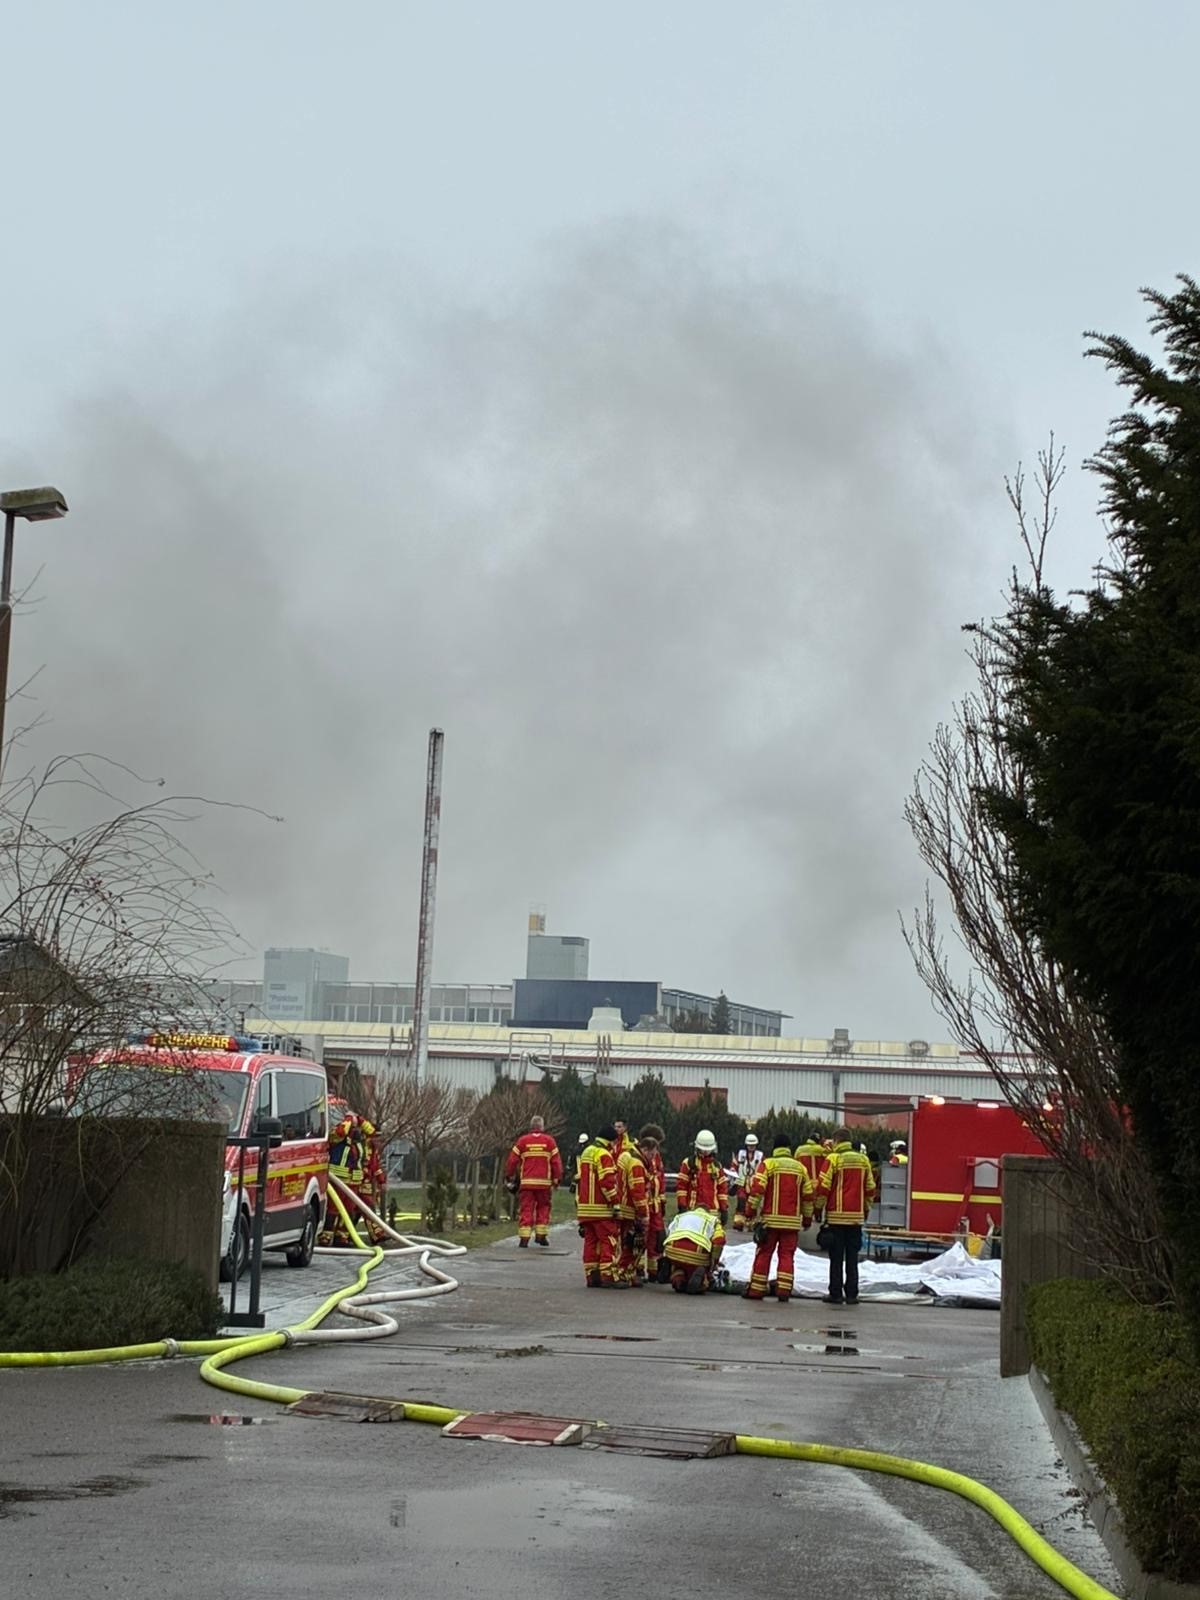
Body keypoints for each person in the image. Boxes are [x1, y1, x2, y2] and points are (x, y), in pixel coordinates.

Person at [742, 1133, 814, 1304]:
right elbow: (808, 1196)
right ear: (789, 1148)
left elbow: (757, 1191)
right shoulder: (801, 1169)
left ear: (775, 1148)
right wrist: (807, 1219)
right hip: (791, 1224)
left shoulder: (768, 1165)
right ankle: (784, 1290)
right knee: (787, 1256)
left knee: (764, 1253)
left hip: (770, 1222)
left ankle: (756, 1290)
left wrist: (749, 1211)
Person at [813, 1126, 877, 1306]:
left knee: (836, 1258)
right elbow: (870, 1189)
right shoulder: (863, 1160)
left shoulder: (833, 1159)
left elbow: (823, 1188)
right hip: (856, 1218)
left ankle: (835, 1293)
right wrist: (865, 1210)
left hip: (836, 1217)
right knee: (852, 1258)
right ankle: (852, 1294)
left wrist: (818, 1209)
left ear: (836, 1141)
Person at [574, 1124, 624, 1288]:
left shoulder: (587, 1151)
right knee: (609, 1241)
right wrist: (615, 1202)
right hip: (601, 1209)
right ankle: (608, 1276)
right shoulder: (604, 1154)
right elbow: (607, 1182)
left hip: (585, 1209)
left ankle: (592, 1275)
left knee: (590, 1242)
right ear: (611, 1141)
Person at [505, 1115, 564, 1248]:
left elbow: (512, 1160)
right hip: (544, 1184)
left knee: (526, 1209)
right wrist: (557, 1178)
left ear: (531, 1126)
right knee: (543, 1207)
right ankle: (541, 1236)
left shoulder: (522, 1141)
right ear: (542, 1127)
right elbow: (556, 1162)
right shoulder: (549, 1141)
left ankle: (524, 1239)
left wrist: (509, 1175)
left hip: (527, 1183)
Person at [662, 1206, 726, 1294]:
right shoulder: (713, 1220)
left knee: (677, 1265)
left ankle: (678, 1280)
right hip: (697, 1253)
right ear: (708, 1212)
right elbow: (719, 1240)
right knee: (700, 1268)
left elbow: (670, 1232)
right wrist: (713, 1262)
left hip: (673, 1250)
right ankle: (701, 1281)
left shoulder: (680, 1216)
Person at [616, 1131, 650, 1284]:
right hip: (631, 1210)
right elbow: (638, 1191)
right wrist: (643, 1214)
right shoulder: (637, 1163)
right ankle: (625, 1272)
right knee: (633, 1244)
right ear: (646, 1149)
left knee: (625, 1243)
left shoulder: (627, 1155)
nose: (652, 1158)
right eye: (652, 1154)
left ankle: (625, 1272)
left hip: (622, 1206)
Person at [677, 1129, 729, 1221]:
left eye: (708, 1149)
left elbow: (722, 1190)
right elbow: (681, 1187)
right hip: (693, 1210)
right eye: (703, 1149)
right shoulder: (689, 1163)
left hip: (712, 1212)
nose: (705, 1152)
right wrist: (682, 1206)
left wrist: (724, 1209)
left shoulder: (717, 1166)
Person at [638, 1124, 667, 1282]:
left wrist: (662, 1202)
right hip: (645, 1203)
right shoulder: (639, 1156)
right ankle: (639, 1268)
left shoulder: (657, 1157)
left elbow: (660, 1179)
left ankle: (654, 1270)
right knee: (641, 1237)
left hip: (655, 1205)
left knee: (656, 1238)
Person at [732, 1132, 764, 1229]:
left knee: (752, 1203)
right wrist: (733, 1170)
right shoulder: (740, 1154)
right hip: (742, 1182)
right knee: (741, 1201)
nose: (751, 1147)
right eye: (749, 1145)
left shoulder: (760, 1156)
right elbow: (734, 1165)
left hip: (754, 1183)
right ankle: (739, 1222)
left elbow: (764, 1167)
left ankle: (751, 1222)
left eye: (753, 1145)